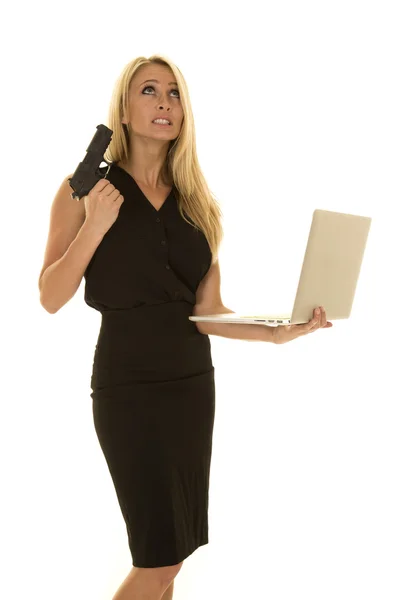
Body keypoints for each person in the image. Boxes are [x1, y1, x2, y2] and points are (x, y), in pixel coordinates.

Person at [38, 55, 332, 600]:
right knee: (156, 560)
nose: (164, 103)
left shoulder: (198, 206)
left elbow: (208, 312)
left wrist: (277, 330)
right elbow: (50, 296)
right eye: (149, 91)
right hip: (129, 387)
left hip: (192, 389)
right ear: (123, 110)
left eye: (174, 93)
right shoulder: (84, 191)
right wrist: (95, 226)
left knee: (171, 560)